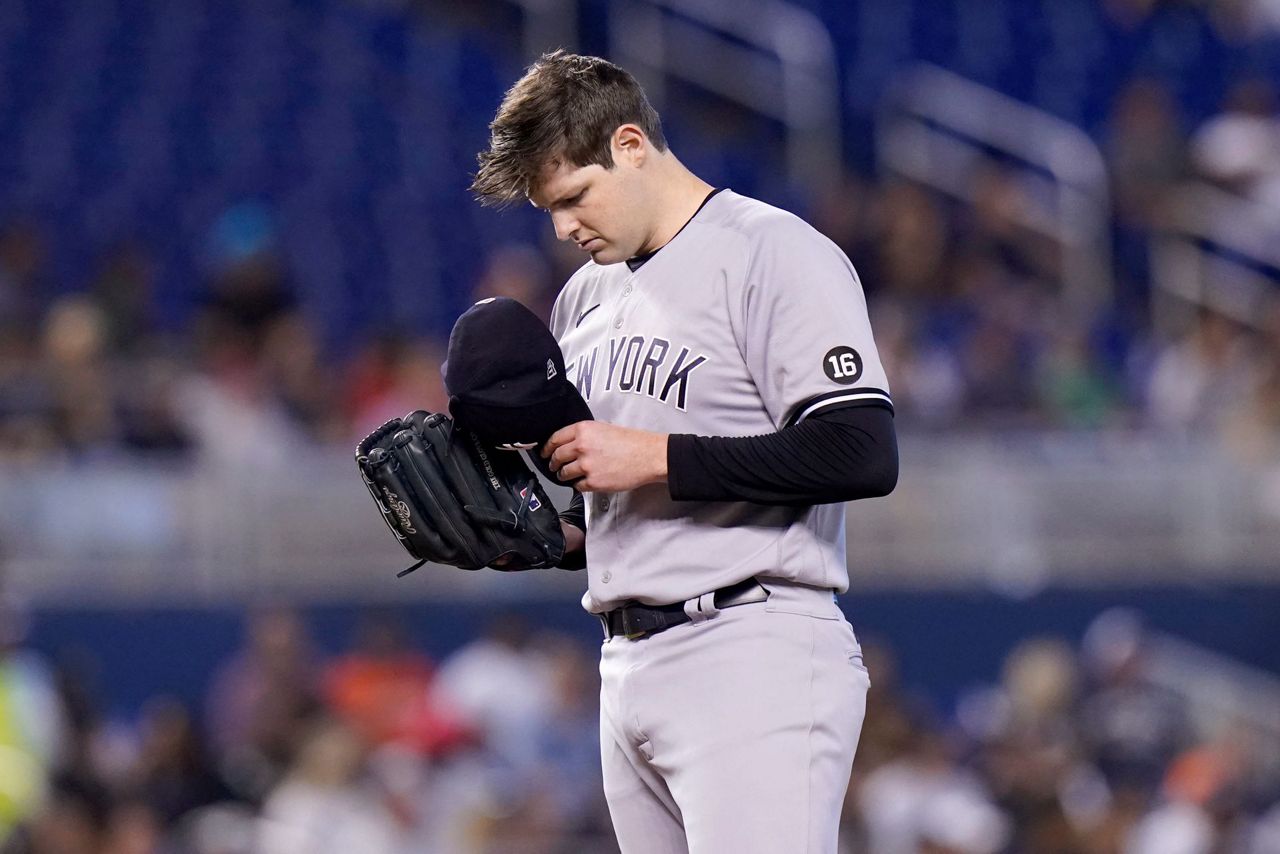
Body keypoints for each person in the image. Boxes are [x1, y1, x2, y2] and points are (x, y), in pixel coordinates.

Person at [470, 50, 898, 854]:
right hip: (625, 659)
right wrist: (556, 540)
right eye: (548, 209)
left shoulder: (773, 252)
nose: (562, 226)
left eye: (572, 197)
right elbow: (621, 488)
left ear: (630, 145)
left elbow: (861, 453)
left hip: (751, 643)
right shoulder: (583, 297)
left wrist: (657, 457)